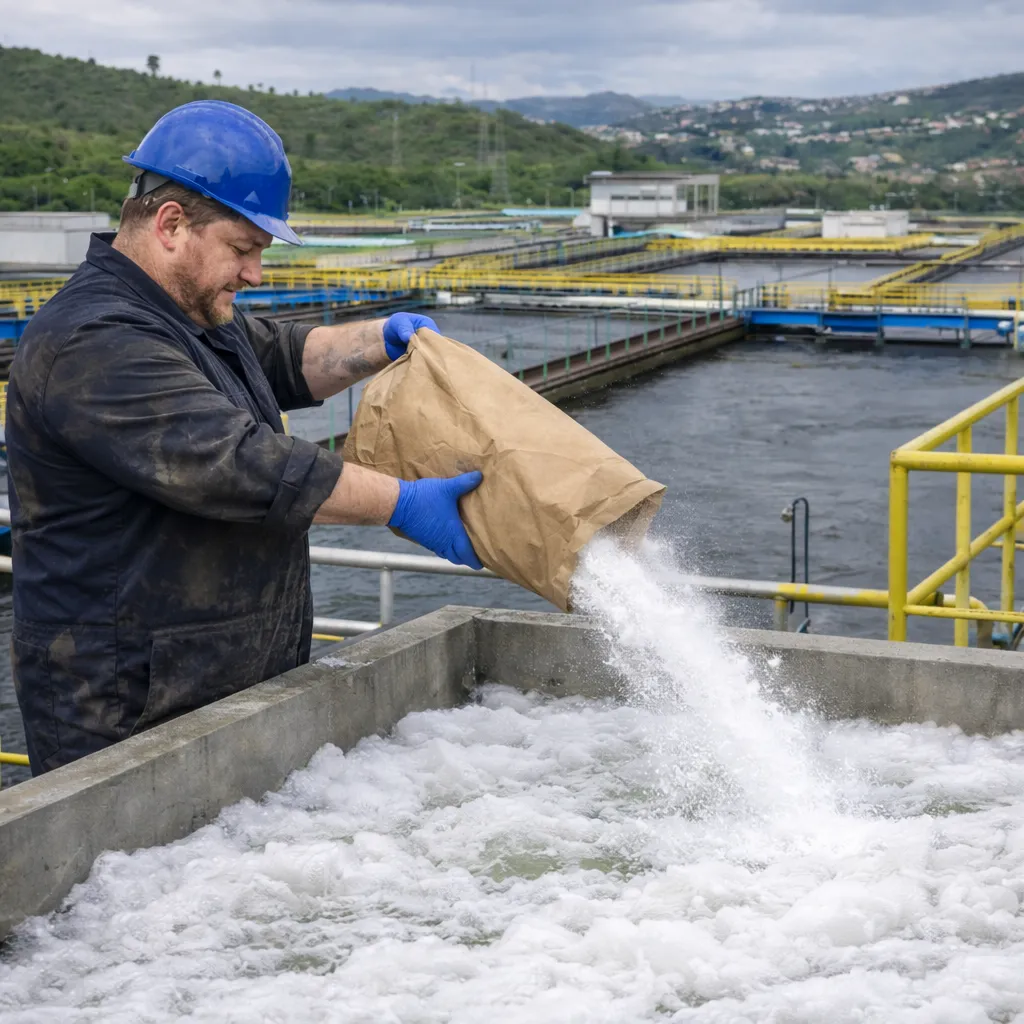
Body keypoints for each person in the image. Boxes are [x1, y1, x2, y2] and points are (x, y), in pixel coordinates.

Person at [5, 100, 483, 775]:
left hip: (214, 684)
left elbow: (287, 357)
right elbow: (239, 463)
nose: (255, 273)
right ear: (170, 224)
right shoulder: (93, 340)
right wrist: (404, 503)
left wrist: (380, 339)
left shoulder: (190, 314)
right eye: (244, 248)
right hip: (126, 710)